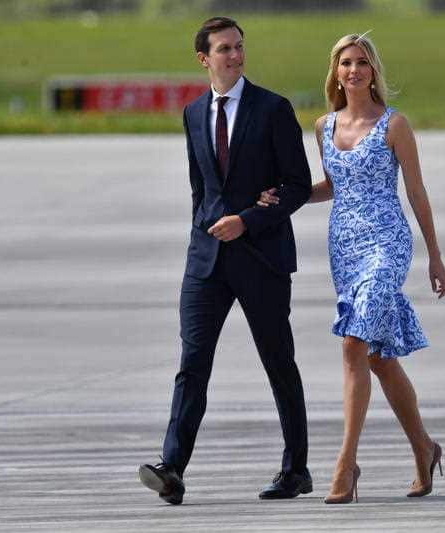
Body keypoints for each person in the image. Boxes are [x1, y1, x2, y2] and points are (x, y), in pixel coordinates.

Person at [257, 33, 445, 504]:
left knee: (353, 343)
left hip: (388, 242)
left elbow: (417, 192)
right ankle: (423, 447)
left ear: (373, 71)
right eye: (346, 63)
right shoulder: (323, 126)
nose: (354, 70)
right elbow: (330, 185)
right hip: (344, 246)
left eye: (362, 62)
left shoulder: (394, 125)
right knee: (380, 359)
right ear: (335, 71)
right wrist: (282, 198)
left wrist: (435, 255)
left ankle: (345, 463)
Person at [138, 16, 313, 504]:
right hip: (206, 261)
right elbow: (202, 188)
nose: (235, 55)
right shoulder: (194, 113)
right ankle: (171, 468)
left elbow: (298, 184)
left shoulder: (273, 109)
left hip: (262, 257)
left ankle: (295, 469)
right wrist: (207, 229)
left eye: (239, 47)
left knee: (278, 362)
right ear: (203, 58)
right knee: (192, 363)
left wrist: (248, 220)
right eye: (224, 49)